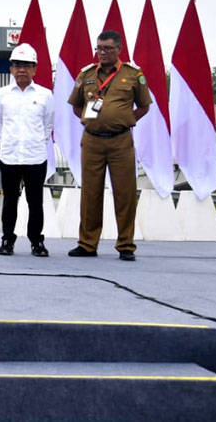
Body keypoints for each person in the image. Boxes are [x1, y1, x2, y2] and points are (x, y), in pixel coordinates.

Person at [67, 30, 151, 261]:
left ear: (119, 50)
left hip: (121, 141)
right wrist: (93, 120)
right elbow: (76, 106)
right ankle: (87, 244)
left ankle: (126, 245)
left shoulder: (133, 75)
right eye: (99, 48)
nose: (102, 53)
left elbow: (144, 106)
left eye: (107, 48)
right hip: (92, 141)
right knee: (90, 194)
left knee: (124, 193)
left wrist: (125, 120)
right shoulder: (86, 74)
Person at [0, 43, 55, 257]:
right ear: (11, 69)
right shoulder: (1, 95)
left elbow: (48, 126)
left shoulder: (45, 95)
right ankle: (7, 239)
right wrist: (9, 143)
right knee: (10, 200)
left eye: (27, 65)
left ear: (35, 69)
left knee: (35, 202)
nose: (22, 69)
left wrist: (34, 142)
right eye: (17, 65)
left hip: (35, 157)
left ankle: (37, 241)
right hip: (9, 156)